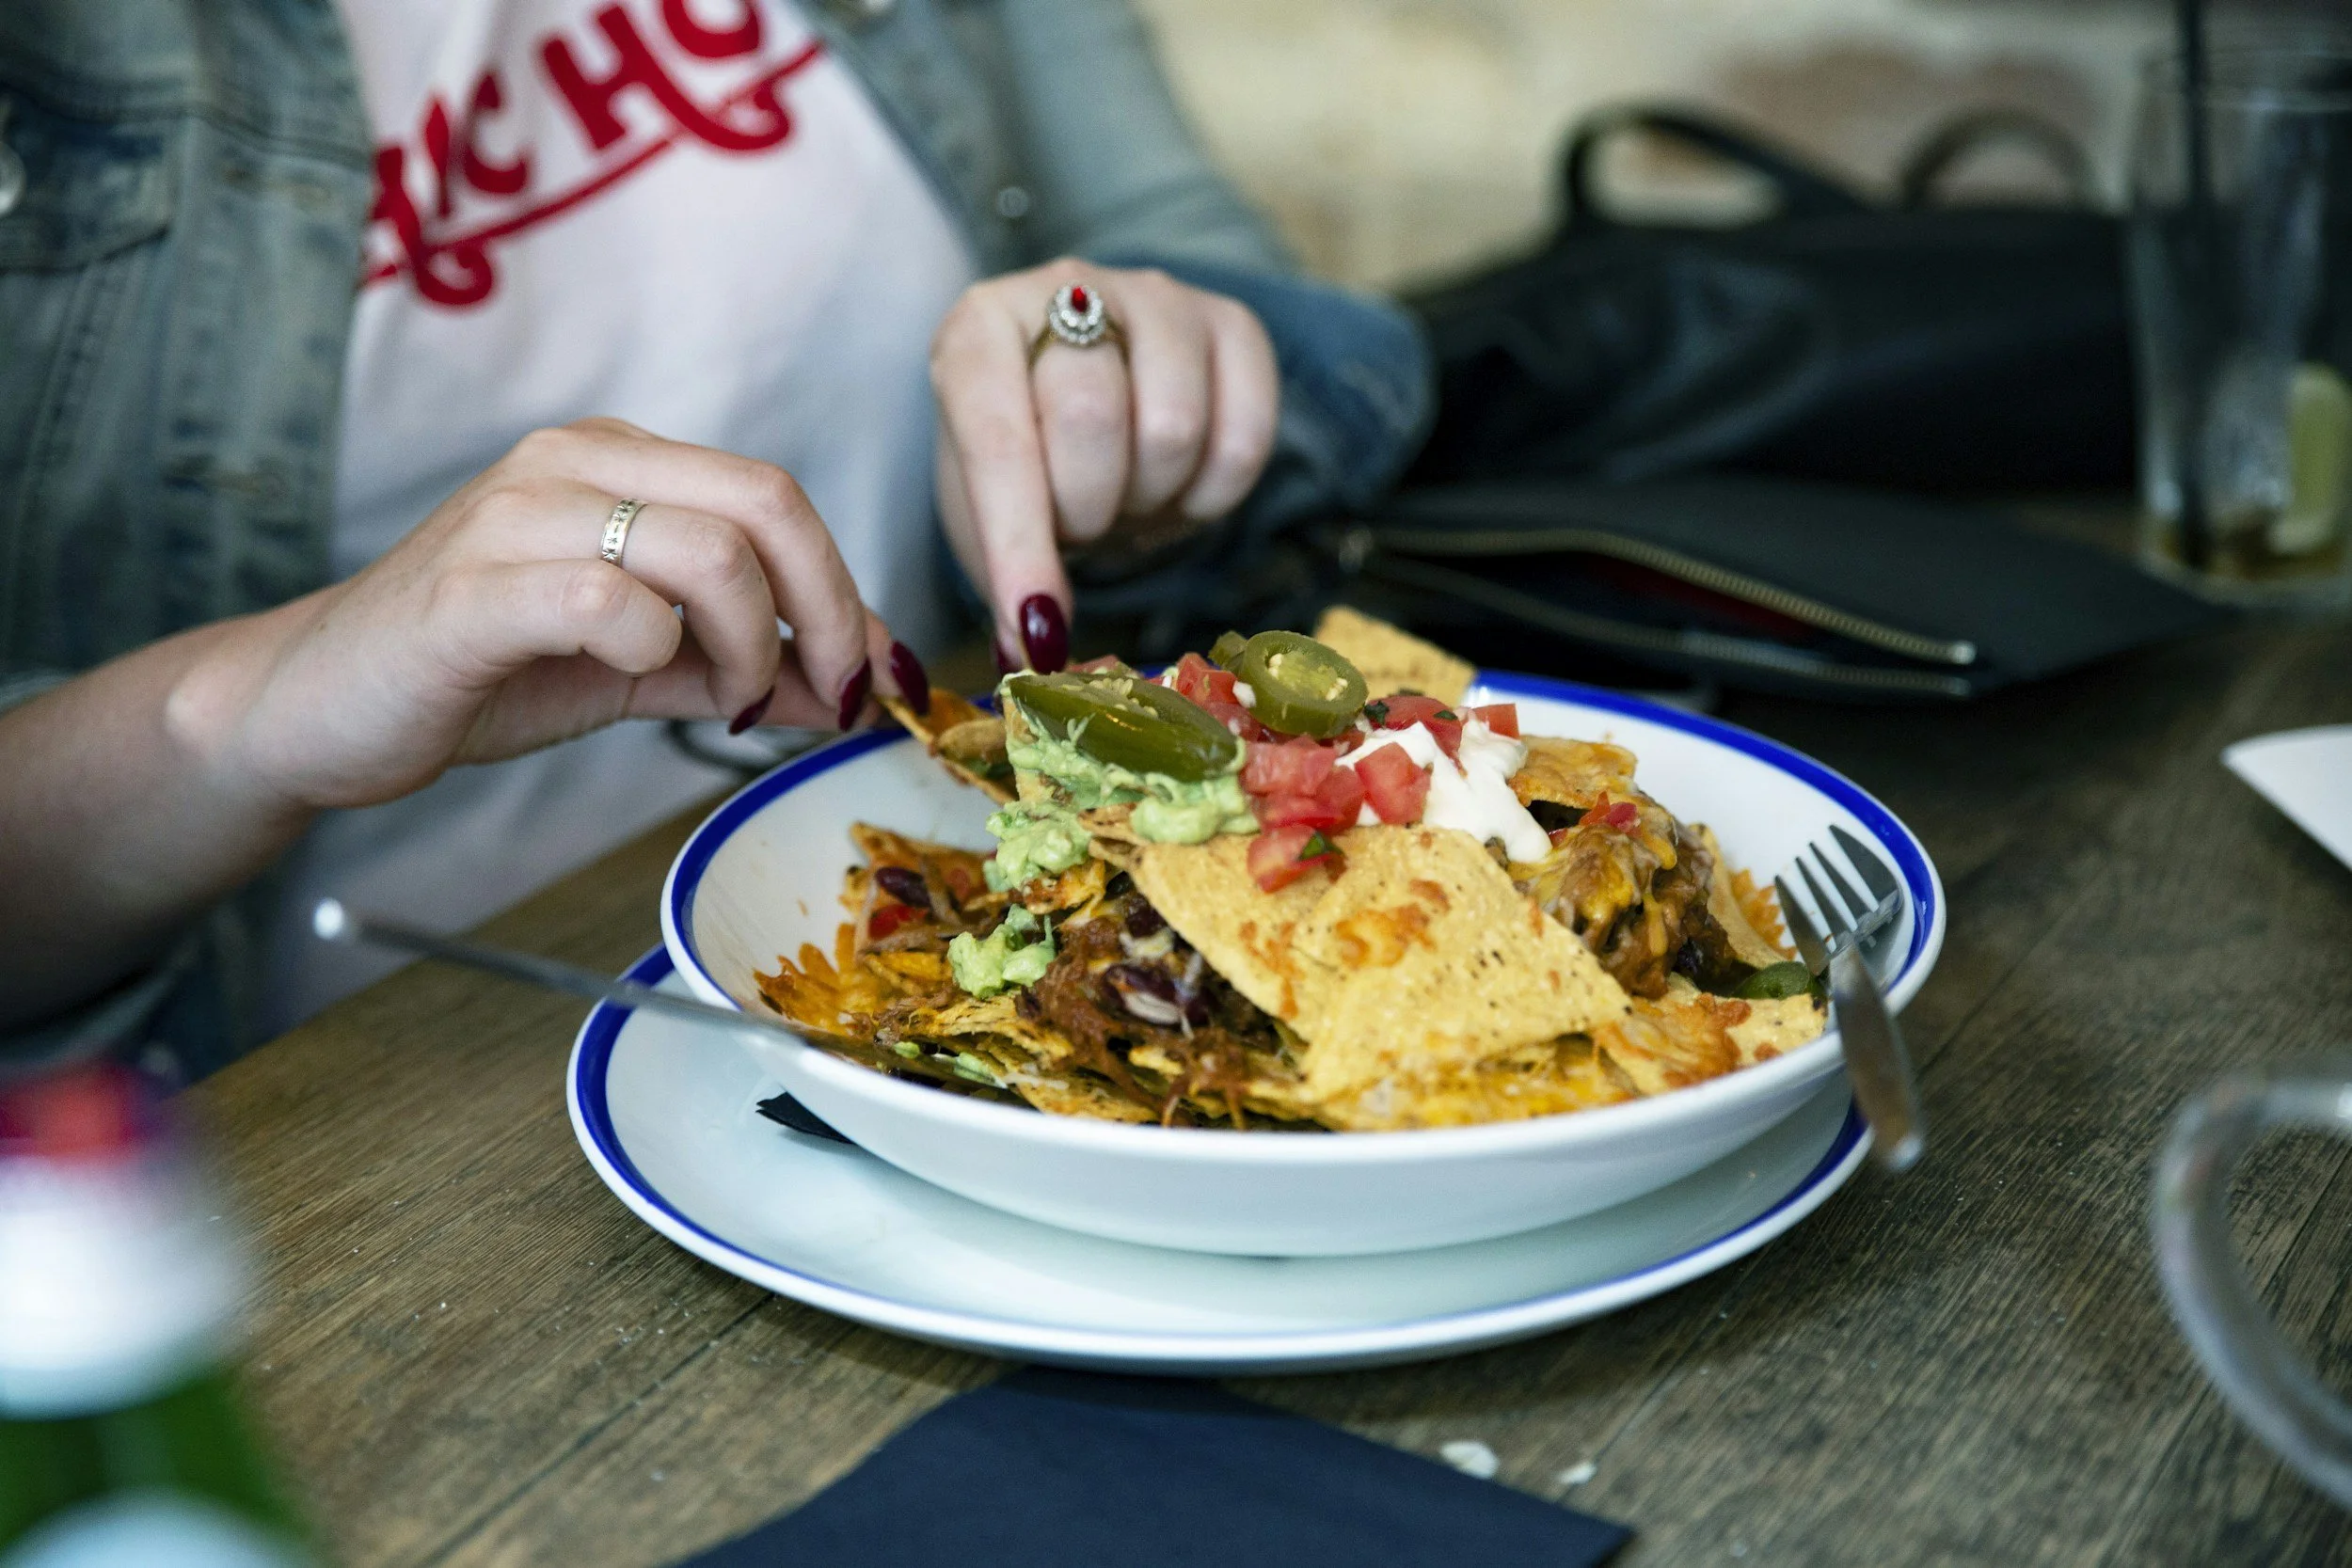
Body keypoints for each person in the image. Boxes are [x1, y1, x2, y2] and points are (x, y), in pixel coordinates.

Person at [0, 0, 1428, 1075]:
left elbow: (1245, 302)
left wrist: (1118, 419)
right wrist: (232, 711)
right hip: (371, 1097)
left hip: (960, 966)